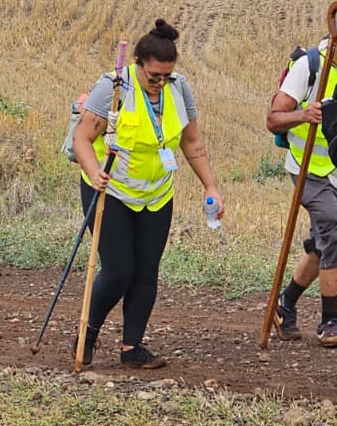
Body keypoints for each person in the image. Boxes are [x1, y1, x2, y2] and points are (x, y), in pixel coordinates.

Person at [70, 21, 226, 370]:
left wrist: (211, 186)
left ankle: (132, 348)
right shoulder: (113, 87)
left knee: (146, 271)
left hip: (157, 194)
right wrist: (94, 172)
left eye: (166, 76)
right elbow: (82, 138)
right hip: (112, 190)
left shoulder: (179, 89)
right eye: (155, 76)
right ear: (138, 63)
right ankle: (87, 334)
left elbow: (191, 143)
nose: (161, 83)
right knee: (118, 271)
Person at [265, 16, 337, 346]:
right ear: (333, 45)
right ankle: (329, 321)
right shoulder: (308, 67)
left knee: (322, 244)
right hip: (308, 170)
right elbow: (274, 119)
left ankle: (284, 305)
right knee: (335, 229)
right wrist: (305, 115)